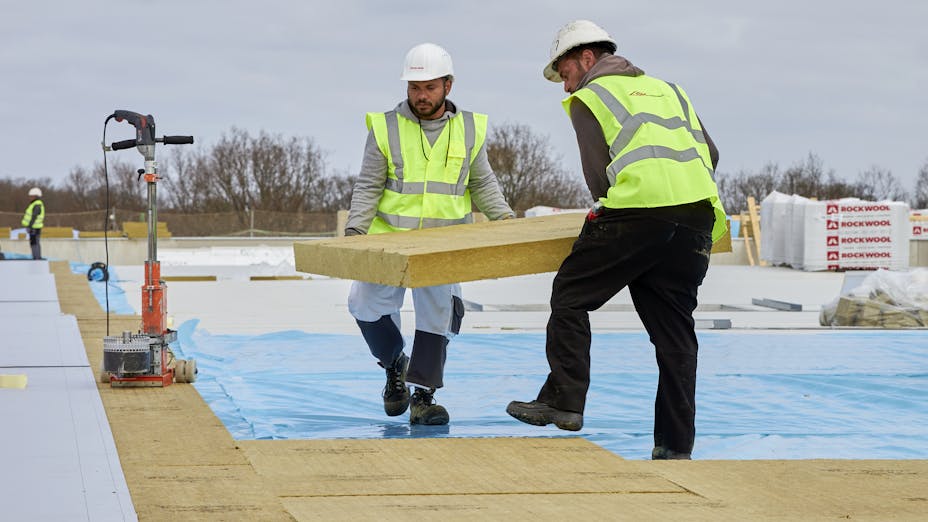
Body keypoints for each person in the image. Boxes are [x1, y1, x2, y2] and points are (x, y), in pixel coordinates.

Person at [506, 20, 727, 460]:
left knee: (571, 295)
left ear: (587, 59)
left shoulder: (591, 96)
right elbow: (712, 155)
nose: (566, 87)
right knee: (675, 338)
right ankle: (675, 447)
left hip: (637, 214)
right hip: (698, 217)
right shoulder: (671, 90)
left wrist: (609, 211)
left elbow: (597, 173)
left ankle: (565, 400)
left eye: (565, 74)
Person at [345, 43, 514, 425]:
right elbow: (369, 184)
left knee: (438, 318)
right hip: (390, 242)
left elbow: (482, 181)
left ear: (448, 86)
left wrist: (504, 219)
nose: (421, 95)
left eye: (430, 87)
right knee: (363, 303)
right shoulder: (386, 127)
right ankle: (395, 366)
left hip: (444, 245)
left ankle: (424, 397)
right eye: (414, 87)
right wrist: (355, 230)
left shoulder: (469, 128)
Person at [21, 187, 45, 260]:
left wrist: (30, 226)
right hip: (34, 227)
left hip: (34, 227)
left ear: (35, 196)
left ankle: (36, 257)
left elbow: (34, 216)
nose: (30, 198)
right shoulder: (35, 204)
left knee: (34, 243)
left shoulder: (37, 205)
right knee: (34, 242)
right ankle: (36, 257)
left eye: (31, 196)